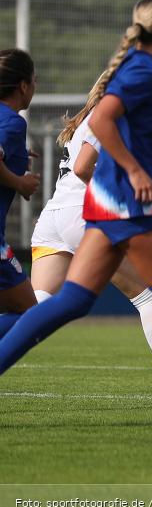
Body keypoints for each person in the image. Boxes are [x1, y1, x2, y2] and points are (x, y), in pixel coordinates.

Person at [0, 0, 152, 437]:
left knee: (64, 303)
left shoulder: (139, 71)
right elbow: (102, 130)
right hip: (120, 205)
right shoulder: (142, 71)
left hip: (78, 213)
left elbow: (124, 129)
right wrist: (137, 170)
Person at [29, 104, 152, 405]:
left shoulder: (88, 118)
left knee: (31, 306)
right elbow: (82, 169)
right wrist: (115, 194)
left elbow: (146, 136)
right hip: (83, 213)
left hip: (53, 216)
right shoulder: (107, 115)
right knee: (148, 297)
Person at [0, 48, 41, 337]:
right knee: (31, 316)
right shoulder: (13, 122)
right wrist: (20, 182)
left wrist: (17, 156)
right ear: (23, 86)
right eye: (34, 81)